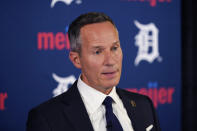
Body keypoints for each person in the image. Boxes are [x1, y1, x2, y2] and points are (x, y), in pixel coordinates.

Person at [26, 12, 161, 131]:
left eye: (114, 48)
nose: (110, 61)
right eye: (97, 52)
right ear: (76, 59)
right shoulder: (46, 118)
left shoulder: (144, 106)